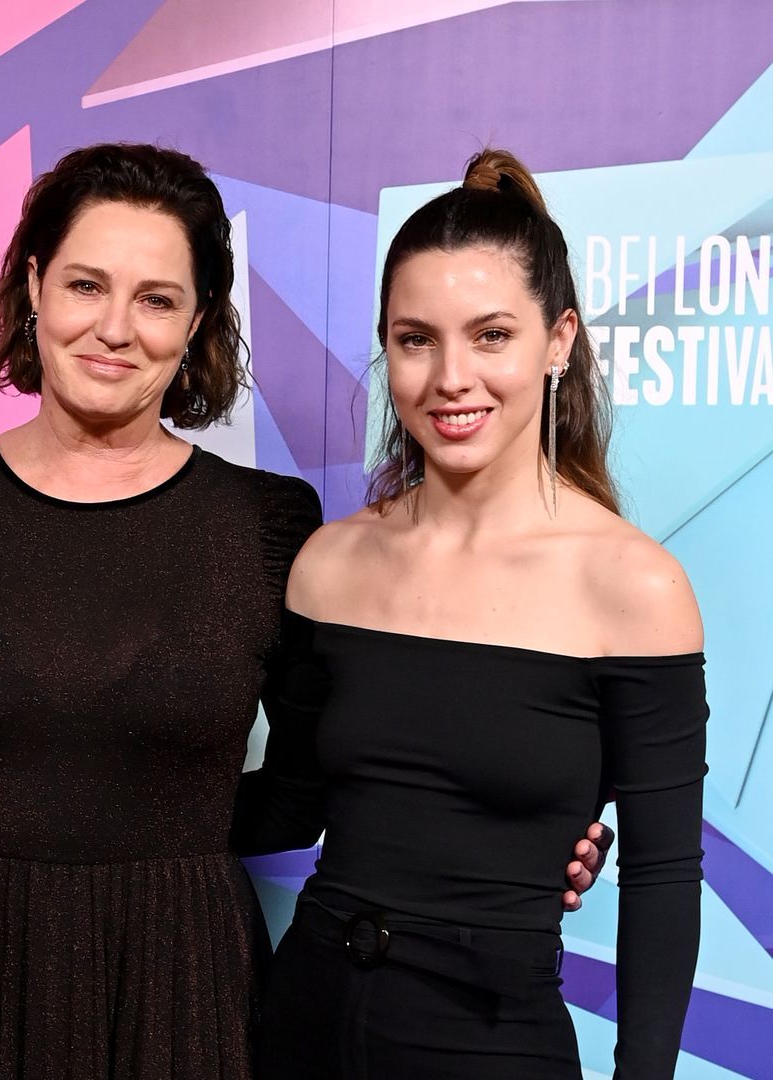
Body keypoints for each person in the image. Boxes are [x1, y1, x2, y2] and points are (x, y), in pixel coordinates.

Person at [0, 143, 611, 1080]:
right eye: (85, 285)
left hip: (184, 985)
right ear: (34, 285)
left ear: (197, 322)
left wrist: (517, 825)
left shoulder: (264, 527)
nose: (114, 328)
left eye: (156, 299)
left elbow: (334, 771)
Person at [256, 149, 706, 1079]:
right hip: (301, 1025)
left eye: (491, 334)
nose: (451, 377)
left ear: (559, 341)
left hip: (493, 1044)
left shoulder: (635, 587)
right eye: (416, 339)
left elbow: (662, 881)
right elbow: (289, 808)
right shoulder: (329, 563)